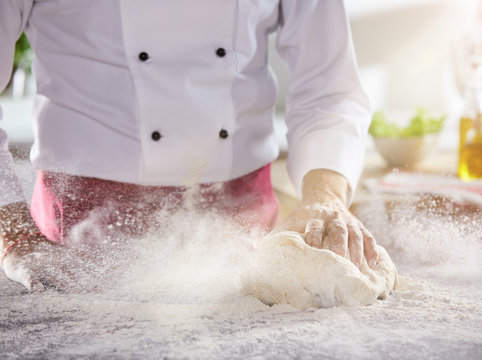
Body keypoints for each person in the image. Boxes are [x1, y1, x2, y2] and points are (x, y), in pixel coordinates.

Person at [0, 0, 379, 292]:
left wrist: (325, 197)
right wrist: (12, 230)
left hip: (246, 236)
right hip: (78, 242)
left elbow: (330, 90)